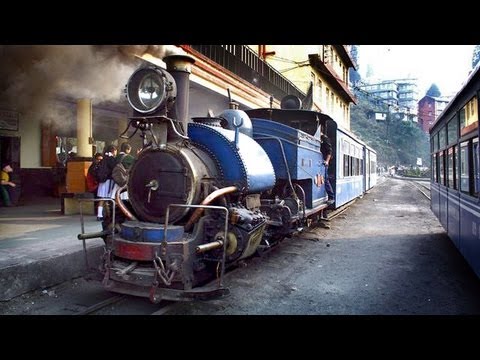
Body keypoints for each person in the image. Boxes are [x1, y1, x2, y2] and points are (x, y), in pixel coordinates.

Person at [96, 145, 117, 221]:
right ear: (113, 151)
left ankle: (99, 215)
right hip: (109, 181)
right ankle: (111, 215)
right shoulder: (112, 159)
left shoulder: (103, 159)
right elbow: (114, 169)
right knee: (111, 199)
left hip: (102, 181)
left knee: (102, 199)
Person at [320, 129, 335, 205]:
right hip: (320, 161)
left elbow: (329, 151)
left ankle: (331, 196)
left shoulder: (325, 139)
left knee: (325, 179)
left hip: (324, 162)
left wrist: (327, 161)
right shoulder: (320, 139)